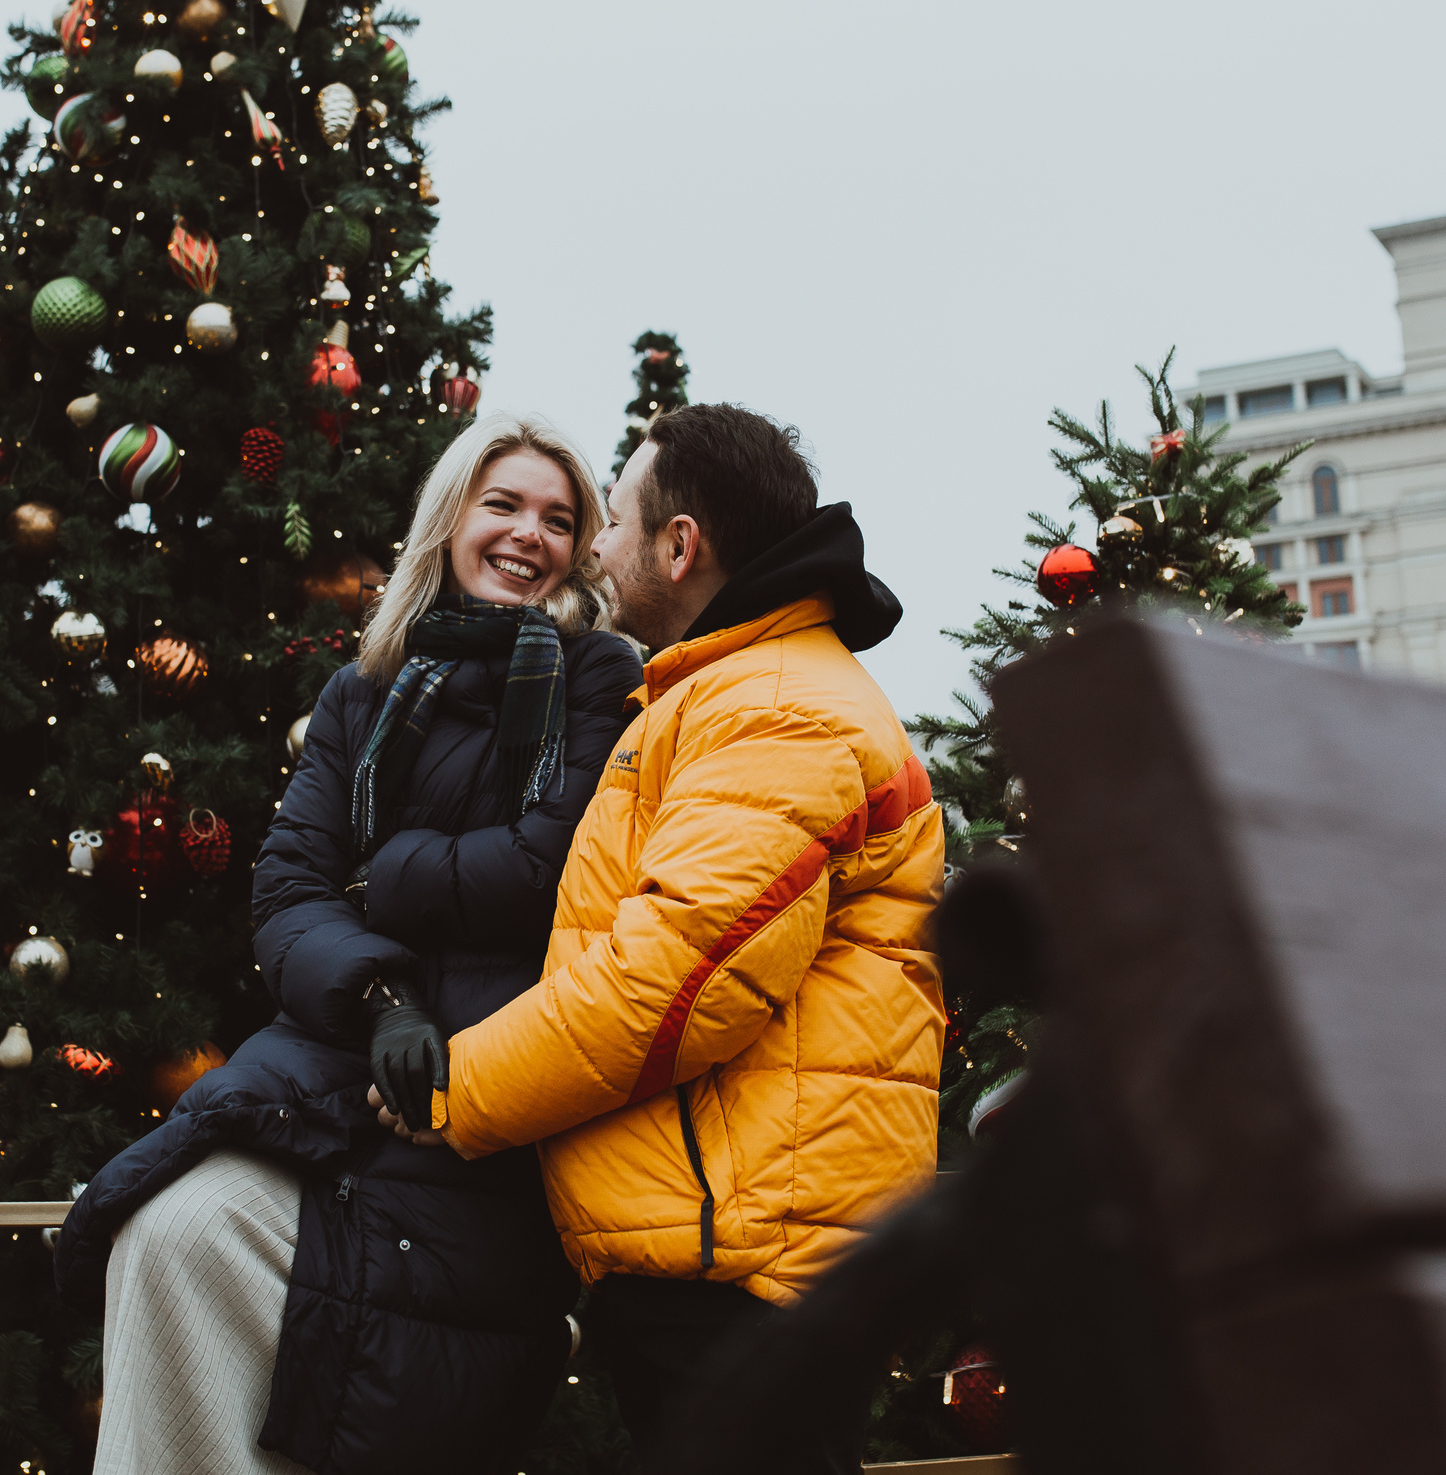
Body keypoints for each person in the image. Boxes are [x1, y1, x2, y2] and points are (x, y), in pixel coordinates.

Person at [53, 413, 644, 1475]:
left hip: (478, 1090)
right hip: (341, 1059)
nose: (529, 534)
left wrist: (387, 872)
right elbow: (288, 888)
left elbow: (545, 869)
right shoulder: (364, 689)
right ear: (449, 520)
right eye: (503, 505)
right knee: (168, 1233)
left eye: (560, 520)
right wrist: (380, 1000)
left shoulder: (599, 677)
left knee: (361, 1337)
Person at [376, 402, 947, 1474]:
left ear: (679, 546)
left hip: (742, 1259)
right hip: (721, 1238)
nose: (595, 546)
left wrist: (452, 1091)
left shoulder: (775, 709)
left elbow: (672, 983)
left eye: (614, 518)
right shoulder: (725, 689)